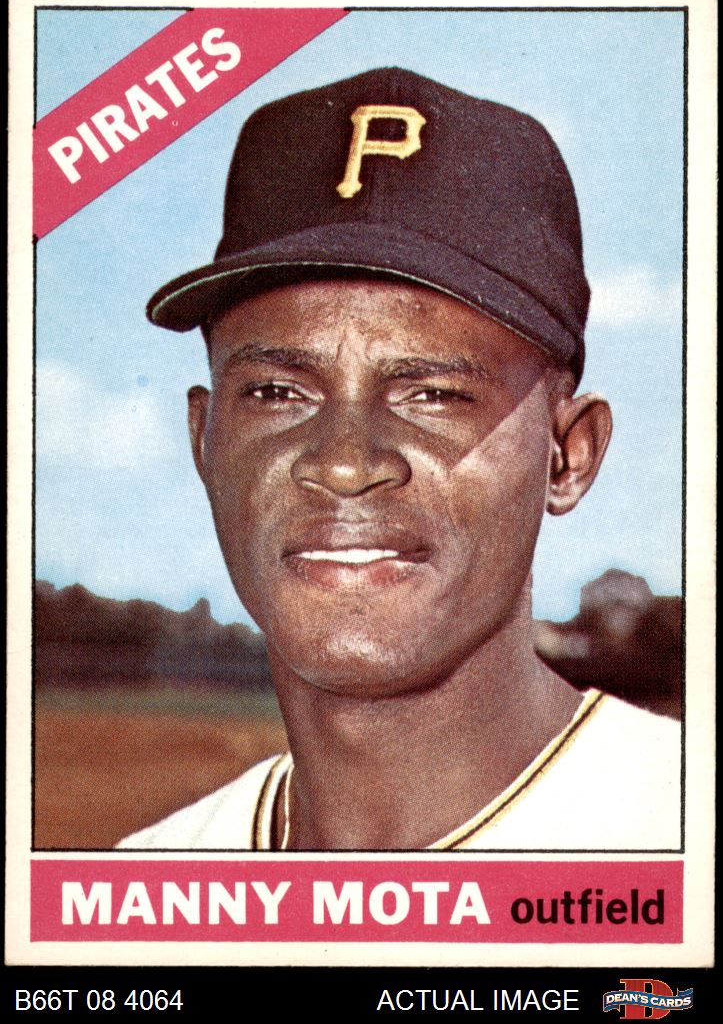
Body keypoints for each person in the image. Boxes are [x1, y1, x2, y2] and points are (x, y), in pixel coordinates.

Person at [118, 67, 680, 852]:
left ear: (568, 455)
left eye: (434, 395)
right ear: (205, 440)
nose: (345, 465)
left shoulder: (685, 835)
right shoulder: (149, 883)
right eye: (278, 392)